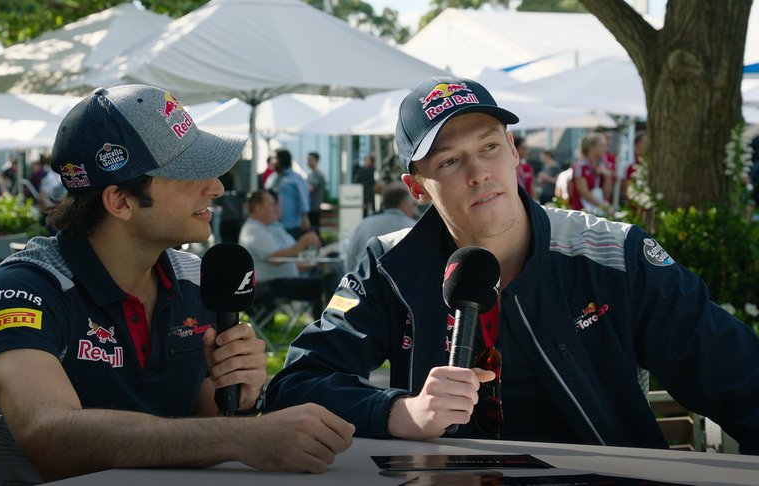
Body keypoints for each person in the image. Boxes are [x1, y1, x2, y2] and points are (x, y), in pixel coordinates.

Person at [266, 76, 759, 453]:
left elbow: (737, 377)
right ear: (417, 189)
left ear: (515, 153)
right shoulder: (390, 268)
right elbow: (294, 387)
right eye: (449, 162)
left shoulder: (613, 253)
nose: (480, 173)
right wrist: (399, 412)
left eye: (489, 147)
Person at [0, 85, 354, 485]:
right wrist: (243, 437)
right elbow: (48, 438)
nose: (217, 187)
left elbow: (208, 426)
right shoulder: (22, 289)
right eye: (187, 171)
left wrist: (240, 394)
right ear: (120, 202)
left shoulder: (191, 277)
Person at [238, 189, 325, 318]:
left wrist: (317, 260)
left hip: (278, 282)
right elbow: (276, 259)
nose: (276, 208)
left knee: (326, 280)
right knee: (323, 286)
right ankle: (324, 328)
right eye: (272, 204)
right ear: (258, 207)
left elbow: (287, 261)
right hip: (267, 286)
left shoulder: (268, 228)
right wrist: (303, 243)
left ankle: (325, 327)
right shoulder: (254, 230)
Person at [344, 182, 416, 273]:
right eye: (413, 204)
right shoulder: (413, 227)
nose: (414, 209)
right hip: (400, 284)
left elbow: (351, 255)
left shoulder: (365, 224)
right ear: (404, 204)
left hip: (365, 279)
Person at [267, 148, 310, 239]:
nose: (272, 161)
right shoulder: (272, 178)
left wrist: (305, 217)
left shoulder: (296, 178)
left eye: (275, 158)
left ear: (282, 160)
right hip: (273, 224)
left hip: (291, 224)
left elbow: (303, 197)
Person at [569, 132, 611, 215]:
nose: (605, 149)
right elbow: (584, 192)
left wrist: (608, 177)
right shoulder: (580, 165)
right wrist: (603, 206)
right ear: (591, 147)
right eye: (602, 146)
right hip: (582, 212)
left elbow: (606, 195)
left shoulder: (602, 165)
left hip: (597, 211)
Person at [306, 152, 326, 235]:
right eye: (308, 160)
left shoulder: (318, 175)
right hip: (310, 207)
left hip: (314, 207)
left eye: (310, 160)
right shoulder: (311, 175)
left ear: (316, 160)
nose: (308, 162)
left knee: (314, 230)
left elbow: (309, 189)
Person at [513, 135, 536, 201]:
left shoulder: (527, 167)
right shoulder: (507, 170)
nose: (527, 151)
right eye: (523, 148)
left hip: (528, 204)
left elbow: (532, 189)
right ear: (515, 149)